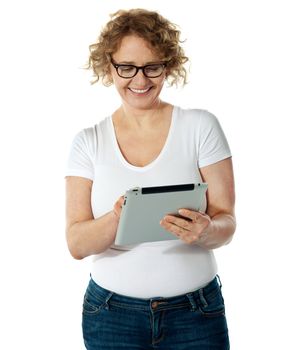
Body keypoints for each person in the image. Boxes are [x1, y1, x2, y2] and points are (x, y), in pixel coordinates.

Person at [65, 8, 236, 350]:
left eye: (151, 67)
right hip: (111, 316)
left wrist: (207, 230)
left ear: (168, 65)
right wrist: (119, 217)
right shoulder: (88, 142)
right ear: (108, 66)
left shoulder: (200, 127)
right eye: (126, 68)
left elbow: (227, 222)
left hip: (195, 315)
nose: (140, 81)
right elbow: (76, 244)